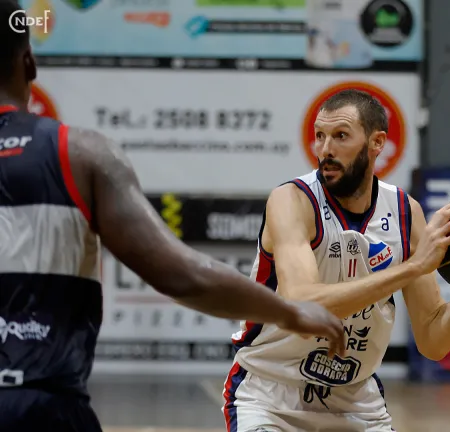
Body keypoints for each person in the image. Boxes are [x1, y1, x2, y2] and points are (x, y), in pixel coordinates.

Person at [0, 3, 346, 432]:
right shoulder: (78, 155)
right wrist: (288, 312)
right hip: (39, 409)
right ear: (29, 63)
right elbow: (184, 276)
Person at [223, 89, 450, 432]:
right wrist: (413, 267)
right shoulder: (292, 201)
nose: (325, 149)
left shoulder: (404, 213)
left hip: (355, 402)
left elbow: (433, 341)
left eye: (340, 136)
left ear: (377, 142)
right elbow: (303, 306)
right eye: (320, 136)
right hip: (271, 397)